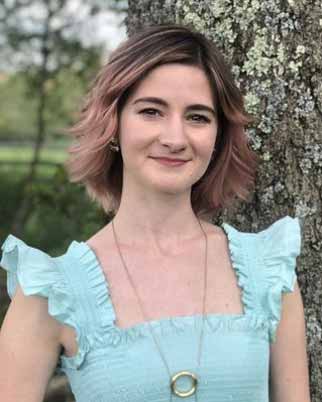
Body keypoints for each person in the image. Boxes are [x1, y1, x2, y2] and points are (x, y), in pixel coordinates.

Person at [0, 23, 310, 402]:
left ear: (218, 137)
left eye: (197, 117)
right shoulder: (52, 291)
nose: (175, 138)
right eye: (151, 111)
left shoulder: (269, 271)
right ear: (113, 124)